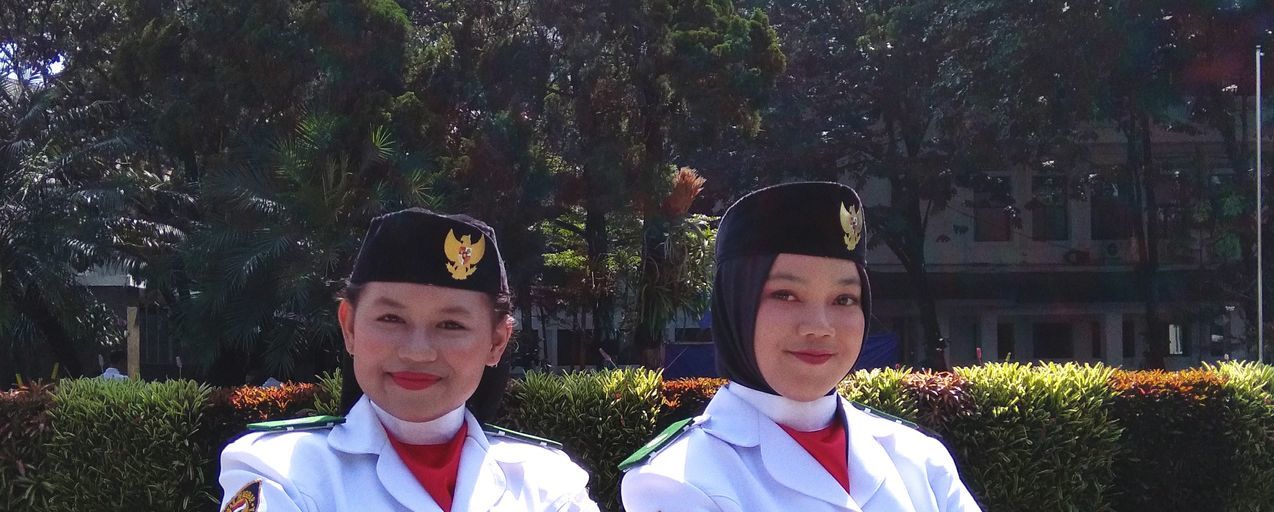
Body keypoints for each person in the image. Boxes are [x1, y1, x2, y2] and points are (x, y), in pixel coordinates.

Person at [620, 181, 982, 512]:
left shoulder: (919, 460)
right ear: (735, 306)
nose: (819, 328)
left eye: (843, 299)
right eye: (786, 294)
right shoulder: (675, 481)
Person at [219, 208, 600, 512]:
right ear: (349, 326)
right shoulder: (279, 474)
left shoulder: (549, 483)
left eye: (451, 324)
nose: (417, 351)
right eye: (391, 318)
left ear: (497, 341)